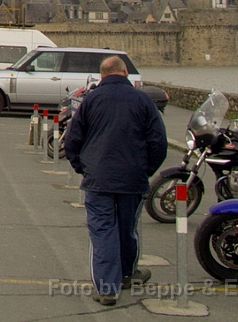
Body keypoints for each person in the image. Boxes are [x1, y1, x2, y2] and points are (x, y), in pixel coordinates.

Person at [63, 56, 167, 307]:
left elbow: (72, 140)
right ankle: (128, 273)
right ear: (125, 73)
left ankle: (107, 288)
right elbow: (158, 143)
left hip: (98, 177)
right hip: (133, 176)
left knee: (102, 231)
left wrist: (83, 168)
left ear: (102, 76)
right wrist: (146, 170)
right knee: (127, 228)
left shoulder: (91, 100)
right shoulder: (143, 100)